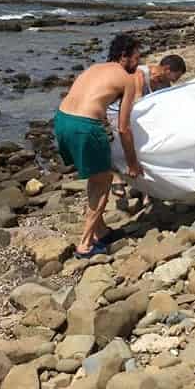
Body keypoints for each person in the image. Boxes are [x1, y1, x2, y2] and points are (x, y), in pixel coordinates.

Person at [55, 33, 143, 258]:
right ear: (124, 56)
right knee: (103, 182)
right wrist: (132, 164)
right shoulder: (126, 79)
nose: (139, 63)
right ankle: (85, 244)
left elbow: (91, 100)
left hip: (62, 120)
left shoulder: (94, 68)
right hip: (85, 126)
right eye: (136, 57)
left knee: (96, 177)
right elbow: (124, 128)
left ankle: (101, 230)